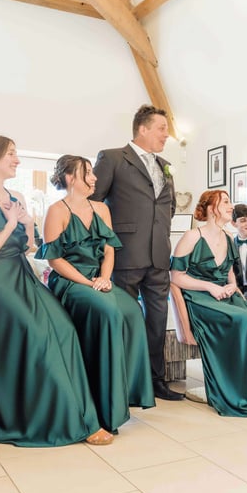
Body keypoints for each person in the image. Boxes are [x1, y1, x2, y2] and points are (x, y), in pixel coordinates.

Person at [0, 135, 113, 446]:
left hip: (21, 274)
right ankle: (55, 421)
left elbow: (30, 247)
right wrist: (10, 224)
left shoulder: (16, 195)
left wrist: (26, 222)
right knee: (37, 336)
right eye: (11, 154)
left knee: (64, 329)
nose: (17, 160)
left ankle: (79, 416)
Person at [35, 155, 155, 433]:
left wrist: (103, 278)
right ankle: (103, 403)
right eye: (87, 172)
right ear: (70, 178)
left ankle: (125, 393)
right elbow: (55, 261)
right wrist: (88, 284)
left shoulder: (101, 209)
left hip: (99, 280)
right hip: (70, 281)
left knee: (132, 310)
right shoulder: (56, 211)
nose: (94, 178)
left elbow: (109, 251)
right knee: (108, 312)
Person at [170, 190, 247, 417]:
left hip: (224, 295)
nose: (231, 205)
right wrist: (210, 287)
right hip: (199, 299)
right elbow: (176, 277)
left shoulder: (228, 237)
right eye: (225, 201)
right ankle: (241, 396)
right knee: (244, 319)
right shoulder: (192, 236)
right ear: (211, 208)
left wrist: (231, 286)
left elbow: (229, 273)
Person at [90, 105, 183, 401]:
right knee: (126, 320)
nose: (166, 135)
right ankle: (125, 381)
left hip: (159, 255)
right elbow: (93, 203)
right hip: (124, 253)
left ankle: (155, 381)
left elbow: (168, 207)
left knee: (157, 320)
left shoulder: (165, 165)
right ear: (142, 129)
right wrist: (105, 245)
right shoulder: (113, 158)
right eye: (161, 129)